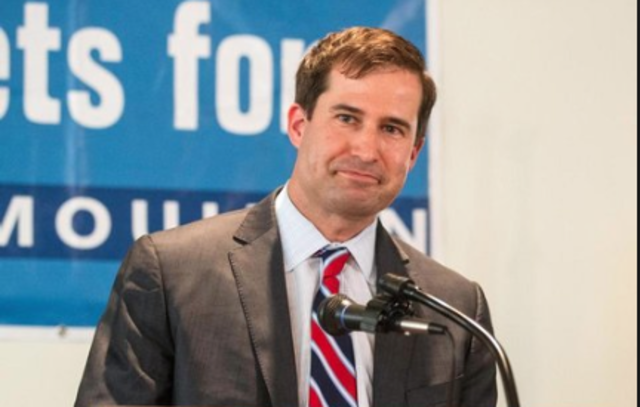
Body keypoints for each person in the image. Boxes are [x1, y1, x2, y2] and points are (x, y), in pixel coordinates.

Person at [75, 27, 497, 407]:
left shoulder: (456, 311)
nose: (366, 150)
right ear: (298, 125)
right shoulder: (172, 273)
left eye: (392, 129)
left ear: (414, 152)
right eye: (346, 118)